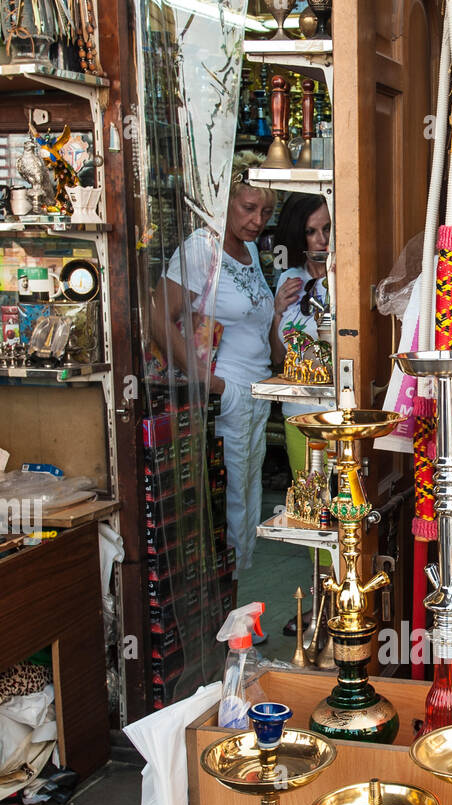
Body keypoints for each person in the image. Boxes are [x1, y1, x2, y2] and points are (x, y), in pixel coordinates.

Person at [151, 156, 297, 589]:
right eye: (248, 208)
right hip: (226, 393)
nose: (257, 220)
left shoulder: (250, 251)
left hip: (253, 393)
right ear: (225, 202)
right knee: (226, 502)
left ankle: (236, 607)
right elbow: (158, 315)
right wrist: (208, 381)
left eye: (266, 212)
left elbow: (253, 318)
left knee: (247, 499)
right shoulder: (202, 248)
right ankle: (219, 609)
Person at [271, 193, 332, 479]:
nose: (321, 239)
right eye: (311, 231)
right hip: (298, 410)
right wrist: (277, 313)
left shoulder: (347, 276)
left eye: (327, 228)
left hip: (338, 410)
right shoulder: (289, 280)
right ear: (299, 235)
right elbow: (278, 357)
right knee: (308, 498)